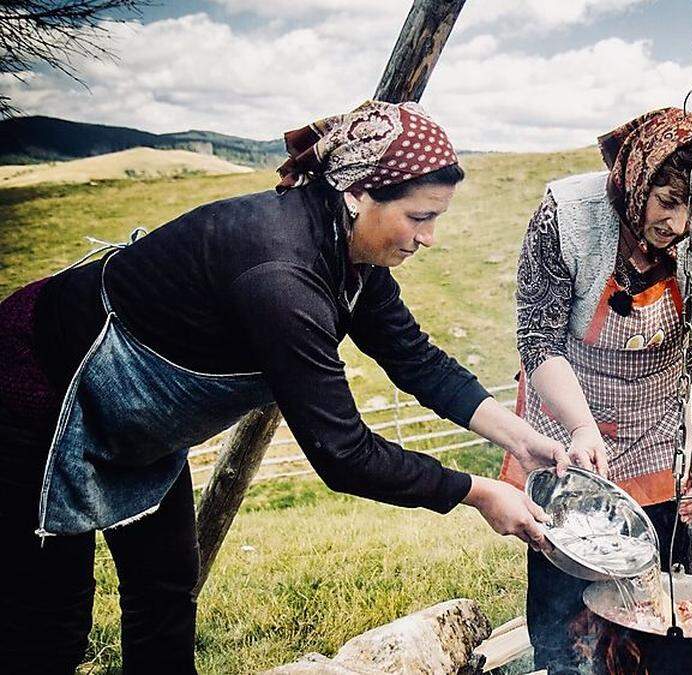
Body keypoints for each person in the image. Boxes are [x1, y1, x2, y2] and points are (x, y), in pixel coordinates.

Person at [0, 101, 570, 674]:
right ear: (357, 194)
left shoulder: (350, 254)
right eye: (419, 217)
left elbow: (415, 359)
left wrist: (519, 439)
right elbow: (343, 455)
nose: (430, 238)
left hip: (137, 420)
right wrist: (479, 493)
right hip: (39, 395)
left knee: (167, 588)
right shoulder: (281, 276)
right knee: (51, 623)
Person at [502, 107, 692, 671]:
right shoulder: (567, 216)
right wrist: (582, 426)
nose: (680, 224)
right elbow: (539, 341)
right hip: (567, 400)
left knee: (650, 572)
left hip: (658, 415)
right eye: (669, 201)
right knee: (565, 561)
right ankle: (560, 661)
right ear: (638, 178)